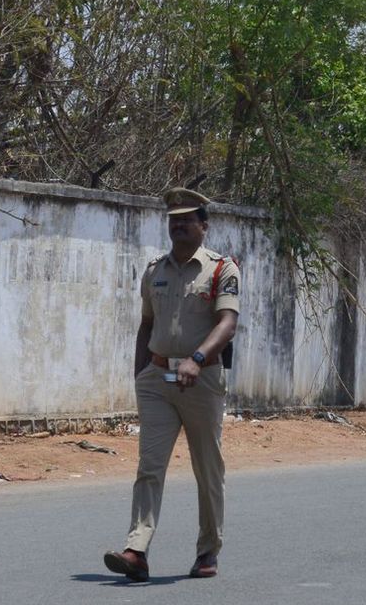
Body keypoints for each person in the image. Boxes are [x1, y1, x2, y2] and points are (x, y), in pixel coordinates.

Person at [104, 188, 242, 583]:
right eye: (173, 220)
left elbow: (227, 324)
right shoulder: (154, 271)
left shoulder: (221, 270)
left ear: (204, 225)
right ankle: (137, 550)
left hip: (202, 380)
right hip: (157, 379)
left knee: (207, 470)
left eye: (186, 219)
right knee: (149, 466)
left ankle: (207, 550)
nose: (178, 225)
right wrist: (140, 373)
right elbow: (146, 324)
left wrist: (197, 361)